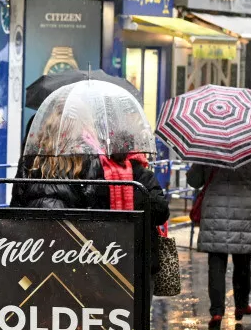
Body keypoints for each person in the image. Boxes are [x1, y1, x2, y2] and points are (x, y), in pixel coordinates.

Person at [10, 101, 171, 288]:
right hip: (73, 252)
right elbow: (95, 209)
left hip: (34, 245)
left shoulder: (30, 160)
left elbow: (16, 205)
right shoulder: (90, 160)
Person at [187, 160, 251, 329]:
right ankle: (241, 305)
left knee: (216, 266)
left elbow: (194, 181)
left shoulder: (208, 151)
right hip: (244, 213)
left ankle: (217, 311)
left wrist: (199, 162)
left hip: (214, 212)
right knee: (243, 265)